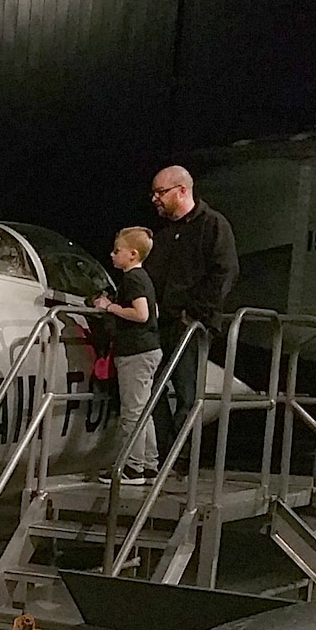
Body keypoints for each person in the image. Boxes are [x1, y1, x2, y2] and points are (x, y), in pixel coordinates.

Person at [146, 165, 238, 455]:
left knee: (187, 393)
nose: (155, 199)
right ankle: (164, 451)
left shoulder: (212, 225)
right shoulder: (164, 234)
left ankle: (180, 456)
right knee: (151, 388)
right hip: (162, 323)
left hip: (191, 325)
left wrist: (197, 313)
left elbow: (225, 271)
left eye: (161, 192)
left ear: (182, 190)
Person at [92, 227, 161, 484]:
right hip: (148, 349)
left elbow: (142, 313)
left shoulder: (132, 279)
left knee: (131, 411)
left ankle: (132, 467)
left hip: (136, 352)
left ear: (132, 255)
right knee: (143, 409)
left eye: (117, 251)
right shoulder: (143, 278)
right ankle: (149, 464)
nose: (112, 254)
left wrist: (110, 307)